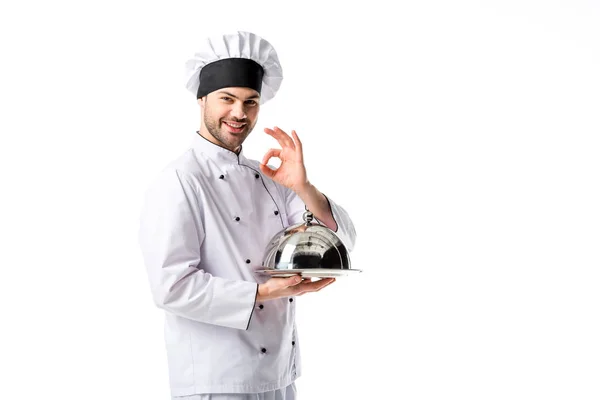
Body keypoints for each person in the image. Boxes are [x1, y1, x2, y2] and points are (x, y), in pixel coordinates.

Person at [138, 31, 357, 400]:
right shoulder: (180, 180)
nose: (239, 113)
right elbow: (171, 287)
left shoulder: (269, 178)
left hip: (279, 375)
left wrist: (303, 186)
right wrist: (265, 291)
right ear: (202, 98)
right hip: (216, 379)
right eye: (227, 99)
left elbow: (334, 243)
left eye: (250, 102)